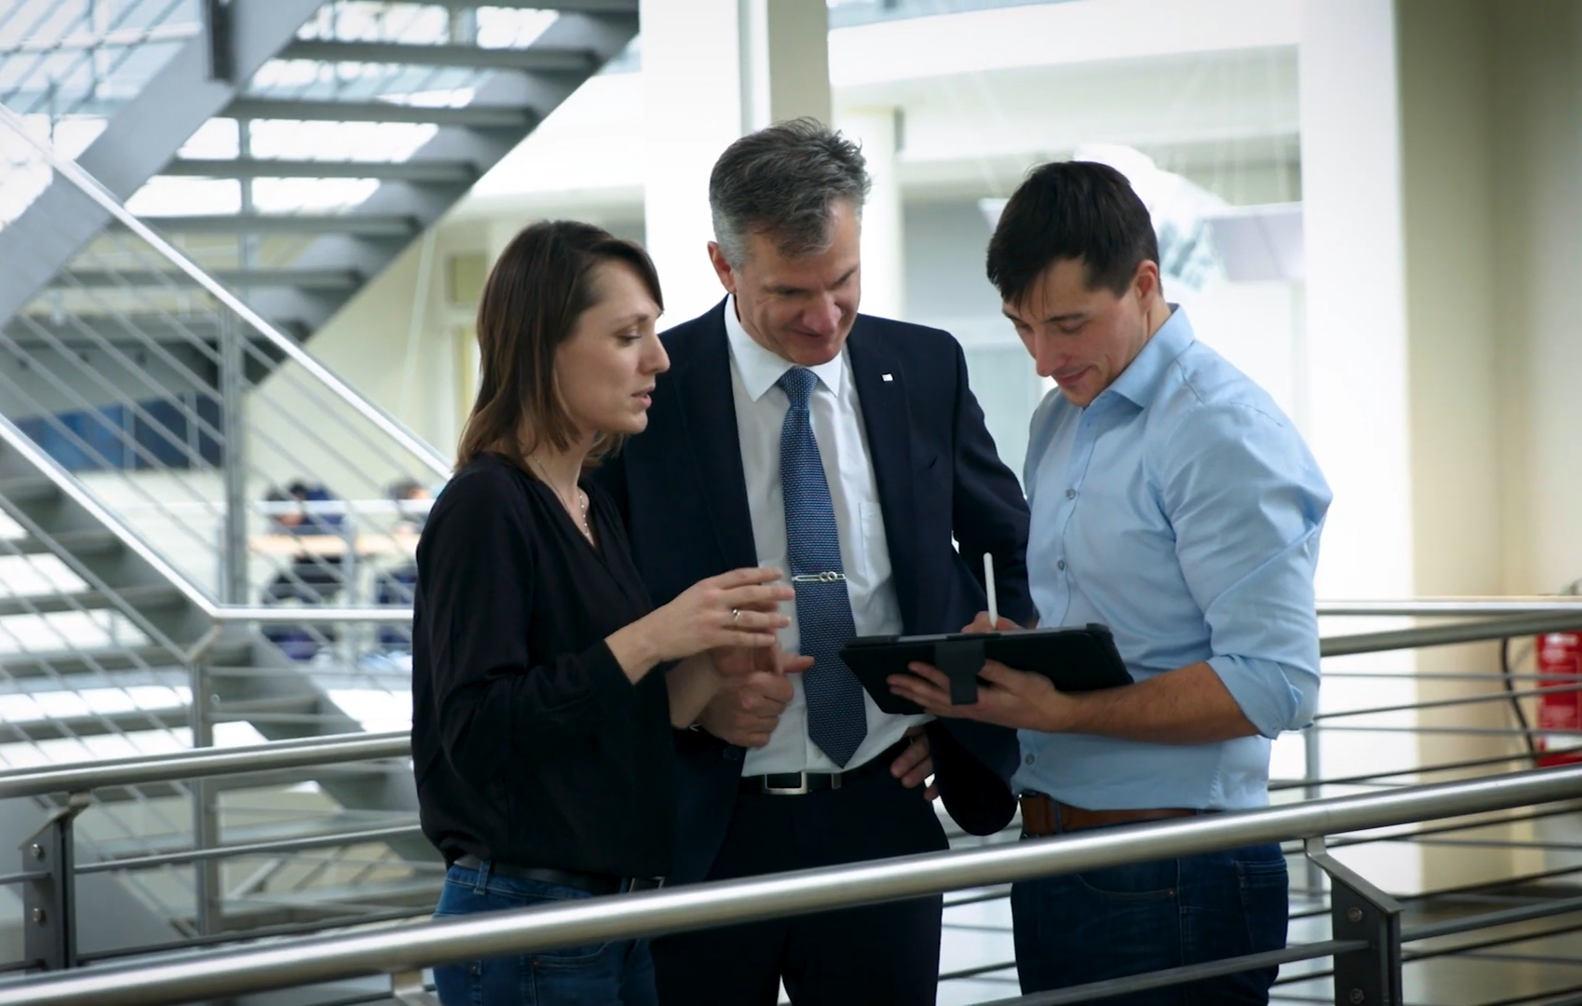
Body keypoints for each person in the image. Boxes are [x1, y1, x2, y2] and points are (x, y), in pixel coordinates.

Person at [593, 119, 1034, 1006]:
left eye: (844, 281)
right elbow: (599, 618)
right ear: (723, 267)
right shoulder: (649, 398)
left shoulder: (924, 366)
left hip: (883, 806)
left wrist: (960, 711)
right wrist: (690, 704)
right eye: (792, 292)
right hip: (709, 824)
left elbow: (1008, 554)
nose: (825, 318)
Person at [888, 160, 1333, 1004]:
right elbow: (1117, 633)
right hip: (1058, 851)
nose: (1045, 358)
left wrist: (1066, 712)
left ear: (1144, 283)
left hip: (1179, 869)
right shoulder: (1065, 416)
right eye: (1021, 327)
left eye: (1068, 324)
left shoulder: (1217, 430)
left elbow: (1277, 682)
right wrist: (1021, 660)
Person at [410, 220, 799, 1006]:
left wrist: (709, 671)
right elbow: (478, 730)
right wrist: (656, 634)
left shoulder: (589, 505)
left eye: (652, 331)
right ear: (543, 346)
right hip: (528, 915)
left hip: (610, 909)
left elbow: (612, 717)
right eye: (628, 335)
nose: (657, 358)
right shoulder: (486, 506)